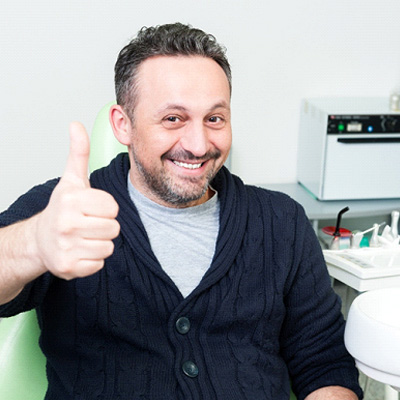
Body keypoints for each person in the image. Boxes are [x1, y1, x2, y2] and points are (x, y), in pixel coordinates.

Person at [0, 23, 362, 399]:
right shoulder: (66, 212)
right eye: (173, 119)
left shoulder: (281, 222)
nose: (198, 143)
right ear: (123, 125)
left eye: (215, 119)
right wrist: (35, 243)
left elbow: (324, 363)